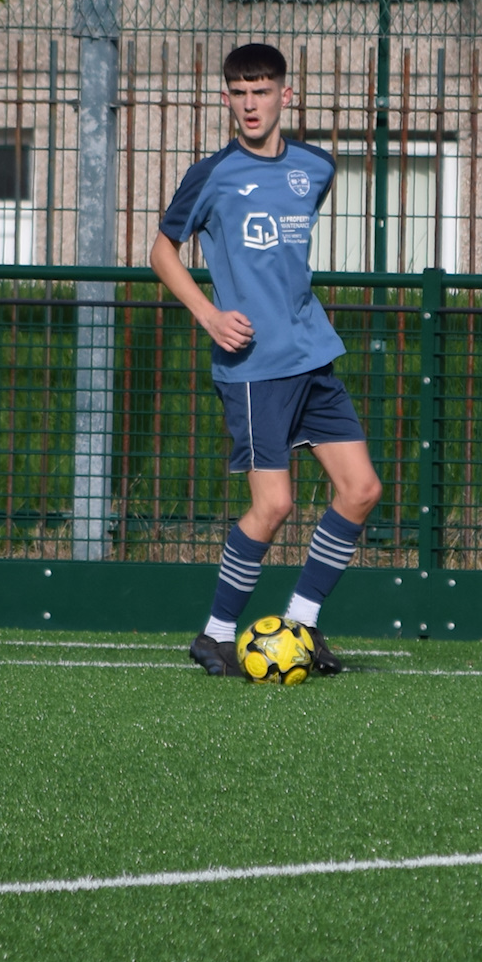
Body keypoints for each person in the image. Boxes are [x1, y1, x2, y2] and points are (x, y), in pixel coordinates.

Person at [151, 42, 381, 678]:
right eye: (240, 92)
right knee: (274, 505)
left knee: (361, 490)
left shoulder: (317, 167)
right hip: (254, 368)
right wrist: (210, 315)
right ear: (226, 98)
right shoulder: (212, 174)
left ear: (287, 94)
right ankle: (215, 635)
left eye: (262, 91)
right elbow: (162, 252)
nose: (251, 104)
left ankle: (302, 623)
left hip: (314, 355)